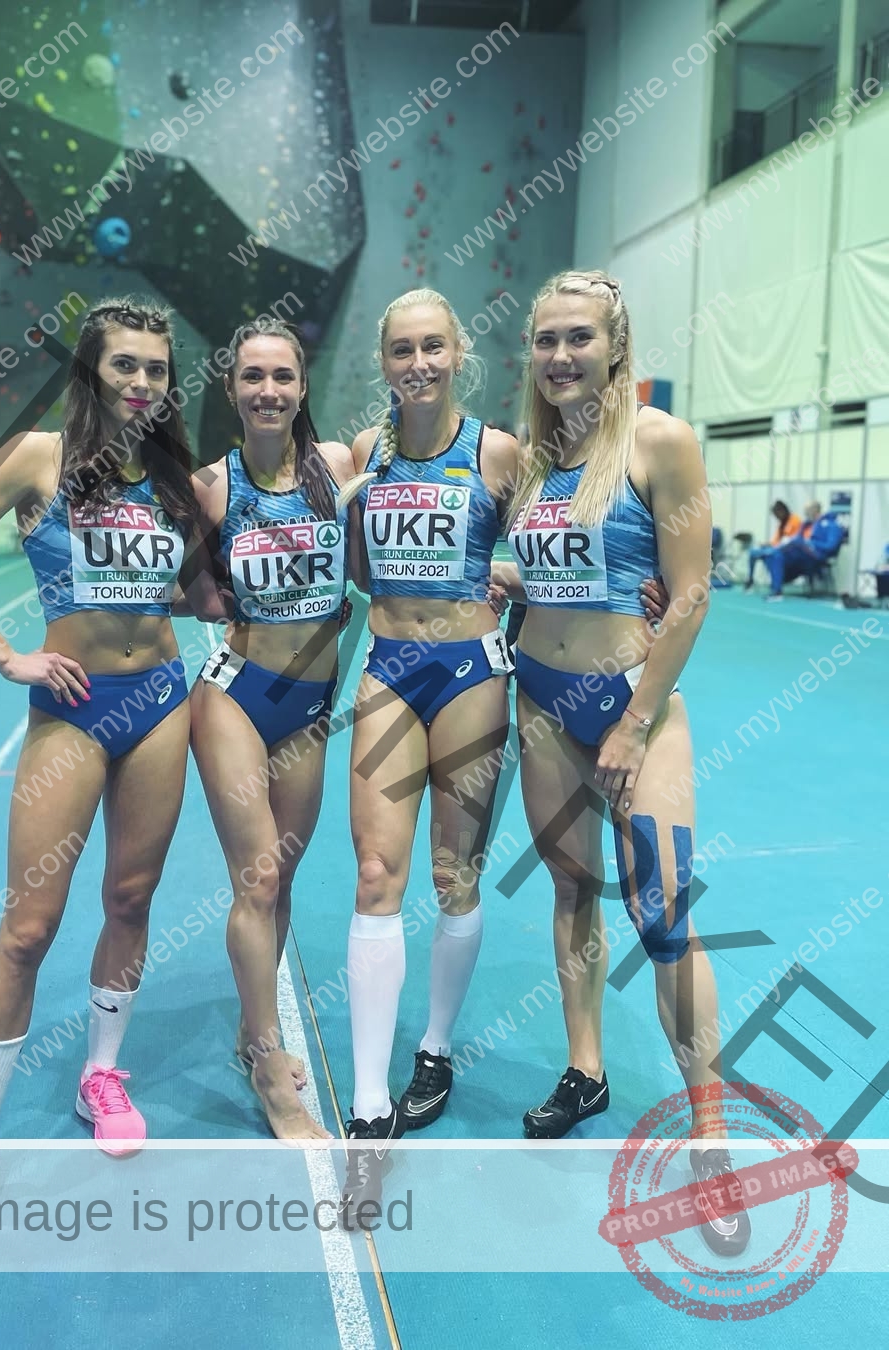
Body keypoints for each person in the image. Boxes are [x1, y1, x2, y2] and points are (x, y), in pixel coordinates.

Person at [0, 298, 223, 1257]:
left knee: (130, 896)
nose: (141, 383)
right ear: (89, 370)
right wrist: (10, 657)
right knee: (28, 926)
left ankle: (102, 1076)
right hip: (71, 710)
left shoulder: (176, 479)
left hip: (162, 701)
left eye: (157, 370)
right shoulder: (38, 457)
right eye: (123, 365)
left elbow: (209, 592)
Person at [499, 269, 749, 1257]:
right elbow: (545, 568)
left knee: (664, 914)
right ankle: (585, 1067)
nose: (561, 357)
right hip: (541, 702)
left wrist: (636, 721)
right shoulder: (527, 458)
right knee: (571, 888)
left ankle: (713, 1131)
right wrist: (505, 572)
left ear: (615, 345)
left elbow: (690, 597)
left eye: (578, 339)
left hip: (635, 712)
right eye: (546, 340)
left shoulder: (659, 443)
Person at [332, 289, 520, 1224]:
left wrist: (518, 575)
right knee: (375, 871)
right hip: (391, 668)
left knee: (455, 873)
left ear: (458, 352)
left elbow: (554, 554)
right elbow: (360, 570)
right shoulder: (367, 454)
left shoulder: (498, 452)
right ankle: (369, 1113)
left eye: (432, 347)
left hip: (474, 669)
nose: (418, 363)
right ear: (385, 359)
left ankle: (434, 1049)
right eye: (402, 348)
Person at [189, 319, 364, 1141]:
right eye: (252, 376)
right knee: (256, 882)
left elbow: (395, 562)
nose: (268, 390)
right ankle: (267, 1064)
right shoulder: (210, 487)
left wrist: (507, 574)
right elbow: (167, 585)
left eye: (283, 376)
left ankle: (244, 1031)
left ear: (302, 387)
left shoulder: (339, 471)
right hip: (237, 696)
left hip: (313, 706)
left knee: (282, 884)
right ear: (232, 390)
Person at [762, 501, 845, 600]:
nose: (805, 514)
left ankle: (778, 585)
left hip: (819, 555)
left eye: (807, 511)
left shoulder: (832, 525)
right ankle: (776, 590)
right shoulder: (807, 525)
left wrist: (810, 543)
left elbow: (831, 546)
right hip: (804, 555)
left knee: (796, 543)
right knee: (776, 555)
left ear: (815, 511)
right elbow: (799, 538)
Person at [743, 499, 801, 589]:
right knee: (753, 552)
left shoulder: (795, 520)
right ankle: (750, 579)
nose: (776, 517)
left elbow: (794, 540)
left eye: (777, 514)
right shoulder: (781, 524)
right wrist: (767, 544)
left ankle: (776, 585)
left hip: (788, 551)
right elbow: (775, 541)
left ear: (782, 511)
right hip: (775, 548)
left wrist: (776, 545)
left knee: (770, 555)